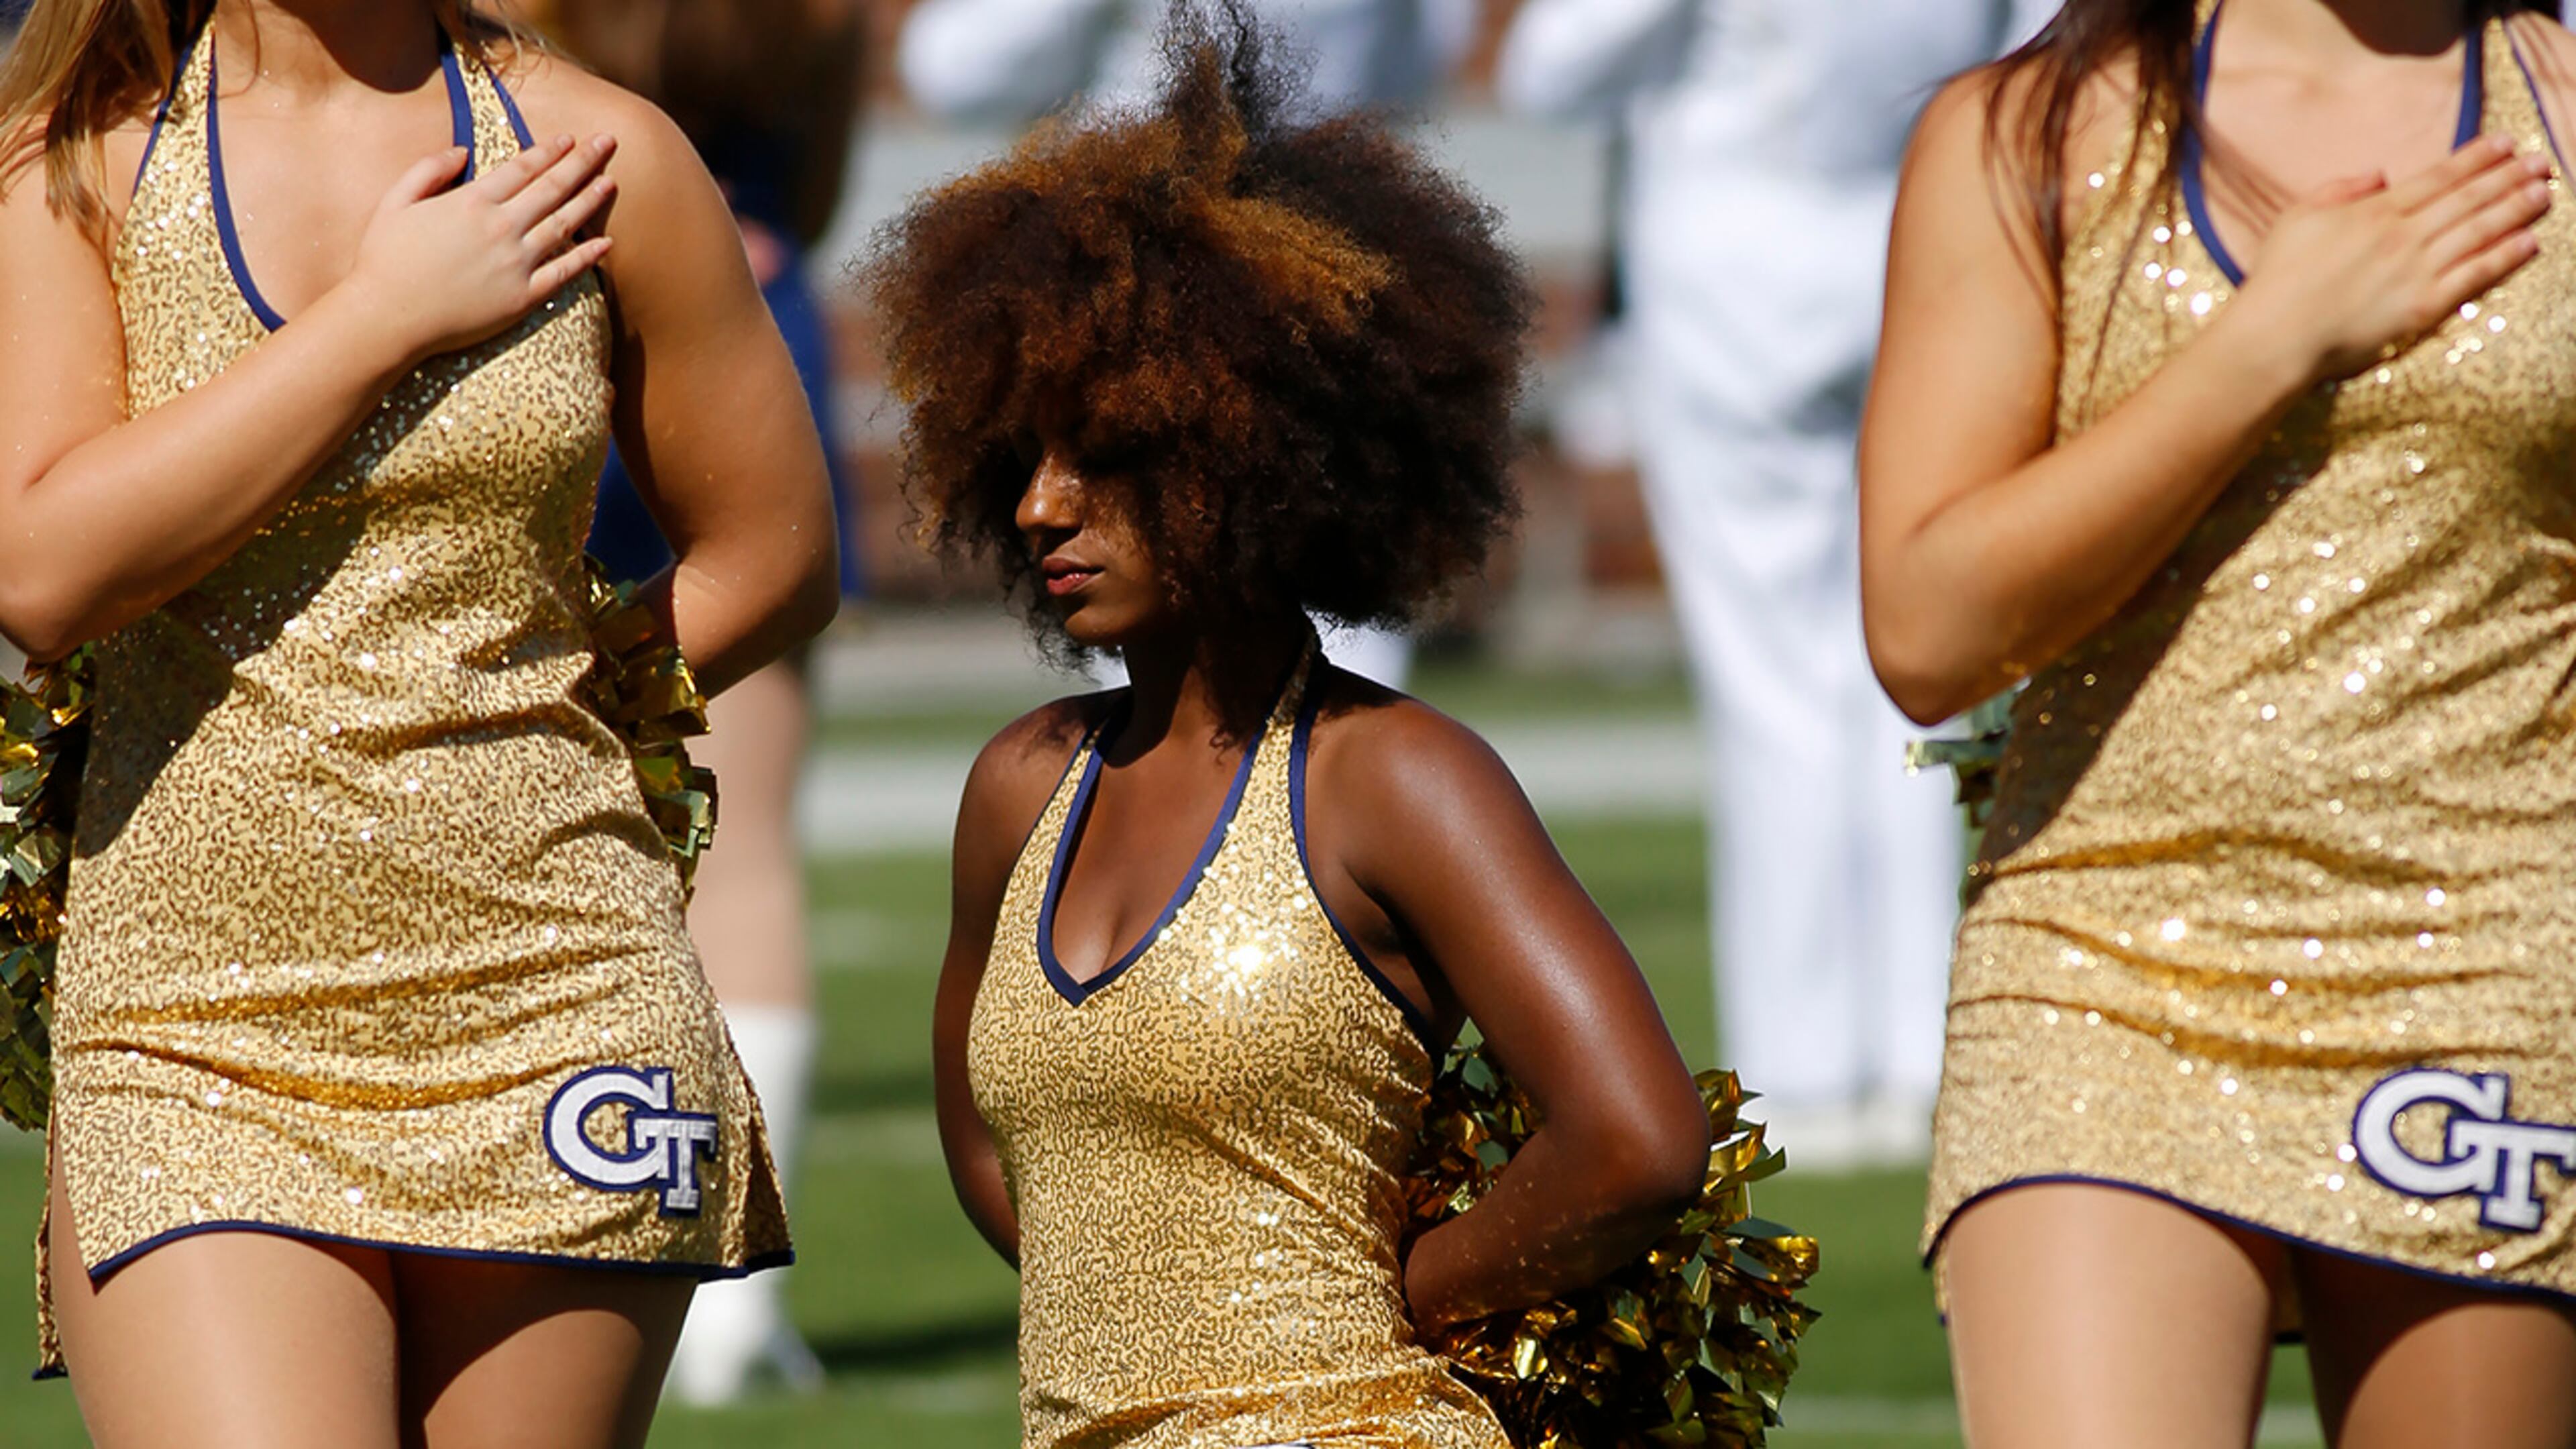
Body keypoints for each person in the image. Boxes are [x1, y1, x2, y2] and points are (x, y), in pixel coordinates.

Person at [867, 6, 1716, 1443]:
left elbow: (1634, 1142)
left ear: (1254, 452)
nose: (1040, 508)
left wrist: (1380, 1306)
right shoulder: (1020, 787)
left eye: (1110, 456)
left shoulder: (1395, 780)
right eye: (1023, 457)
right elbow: (994, 1156)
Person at [0, 0, 838, 1443]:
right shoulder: (76, 160)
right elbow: (46, 572)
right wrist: (386, 314)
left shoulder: (602, 152)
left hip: (560, 989)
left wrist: (540, 691)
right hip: (191, 1025)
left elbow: (771, 556)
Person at [1864, 0, 2576, 1442]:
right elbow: (1929, 632)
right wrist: (2273, 337)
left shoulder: (2561, 107)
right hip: (2107, 965)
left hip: (2495, 958)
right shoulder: (2027, 135)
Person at [1494, 0, 2058, 1171]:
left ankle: (1805, 1069)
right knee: (1928, 677)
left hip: (1731, 258)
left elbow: (1553, 70)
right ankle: (1923, 1049)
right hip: (1927, 237)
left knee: (1774, 688)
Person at [537, 0, 866, 1403]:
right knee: (749, 853)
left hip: (545, 290)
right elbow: (826, 179)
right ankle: (725, 1311)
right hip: (745, 291)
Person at [894, 0, 1479, 691]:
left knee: (1193, 628)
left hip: (1176, 300)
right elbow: (1426, 68)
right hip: (1316, 288)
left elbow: (953, 71)